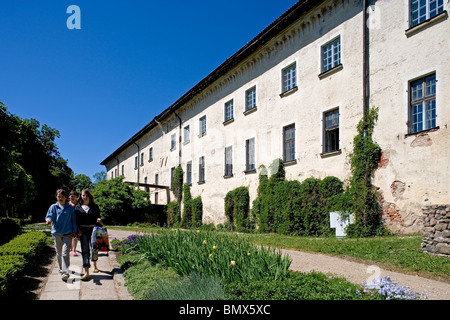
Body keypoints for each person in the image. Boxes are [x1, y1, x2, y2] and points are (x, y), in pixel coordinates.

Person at [45, 189, 77, 281]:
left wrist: (74, 231)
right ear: (56, 197)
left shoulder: (70, 208)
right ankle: (61, 268)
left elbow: (73, 220)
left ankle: (65, 272)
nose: (61, 198)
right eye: (59, 196)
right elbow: (49, 216)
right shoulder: (53, 207)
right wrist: (49, 220)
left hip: (67, 233)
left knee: (65, 252)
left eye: (62, 196)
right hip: (57, 233)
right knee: (59, 253)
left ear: (65, 197)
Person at [75, 189, 102, 281]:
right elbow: (76, 220)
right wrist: (77, 229)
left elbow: (98, 217)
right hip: (83, 230)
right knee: (85, 250)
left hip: (93, 229)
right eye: (83, 195)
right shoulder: (77, 207)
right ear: (81, 196)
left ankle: (95, 265)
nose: (85, 197)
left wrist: (99, 220)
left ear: (89, 196)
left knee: (94, 248)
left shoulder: (95, 207)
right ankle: (86, 271)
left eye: (86, 195)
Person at [68, 191, 80, 256]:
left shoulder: (79, 205)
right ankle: (71, 246)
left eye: (74, 196)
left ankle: (74, 250)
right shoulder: (67, 205)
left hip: (76, 223)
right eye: (71, 196)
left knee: (75, 237)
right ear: (69, 196)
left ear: (77, 197)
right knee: (69, 236)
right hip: (68, 222)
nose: (72, 197)